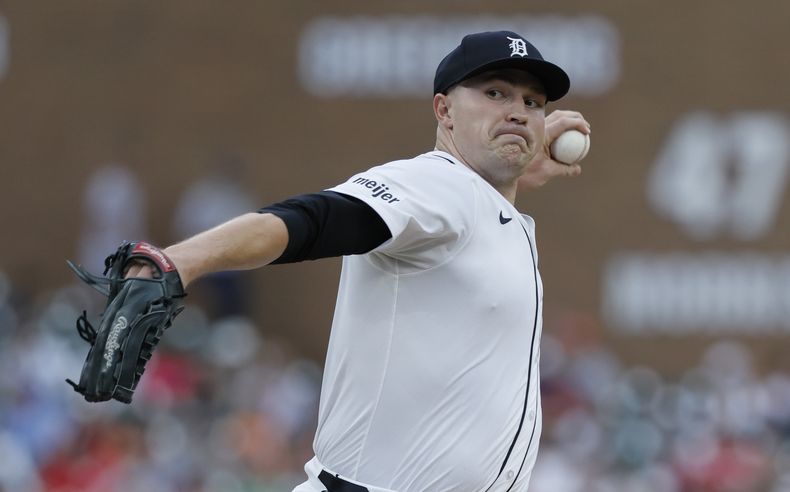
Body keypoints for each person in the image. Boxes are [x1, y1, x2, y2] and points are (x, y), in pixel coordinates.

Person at [126, 30, 590, 492]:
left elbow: (470, 209)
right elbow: (315, 219)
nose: (518, 110)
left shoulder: (477, 204)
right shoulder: (439, 184)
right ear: (444, 110)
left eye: (533, 102)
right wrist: (176, 262)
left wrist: (514, 154)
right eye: (495, 93)